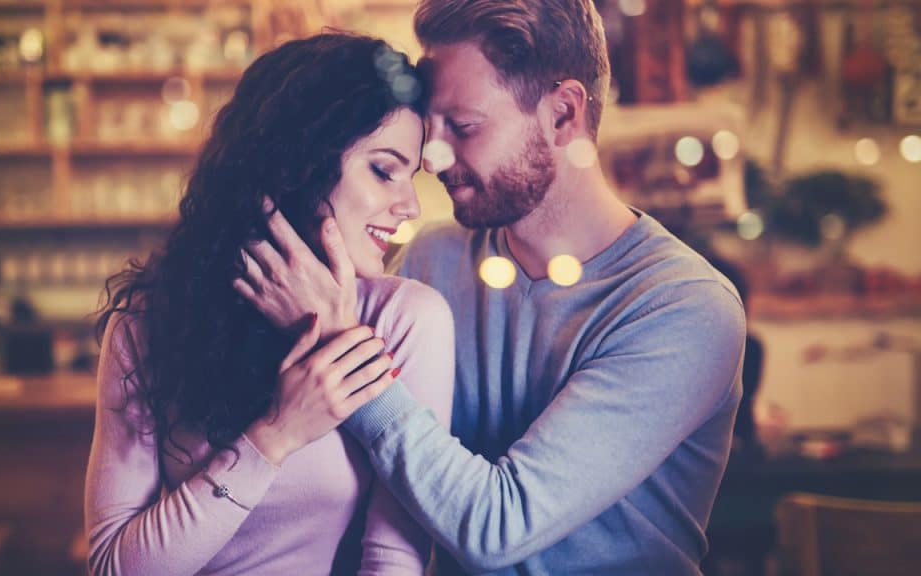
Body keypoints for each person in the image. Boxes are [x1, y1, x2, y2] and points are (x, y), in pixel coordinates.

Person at [235, 1, 747, 574]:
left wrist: (340, 345)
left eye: (465, 126)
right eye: (434, 127)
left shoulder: (685, 307)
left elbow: (499, 527)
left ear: (562, 114)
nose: (433, 158)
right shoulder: (434, 258)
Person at [84, 32, 455, 576]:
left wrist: (335, 341)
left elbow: (394, 558)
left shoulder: (406, 320)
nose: (411, 205)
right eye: (383, 170)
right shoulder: (146, 325)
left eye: (412, 175)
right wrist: (274, 436)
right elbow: (114, 567)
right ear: (298, 164)